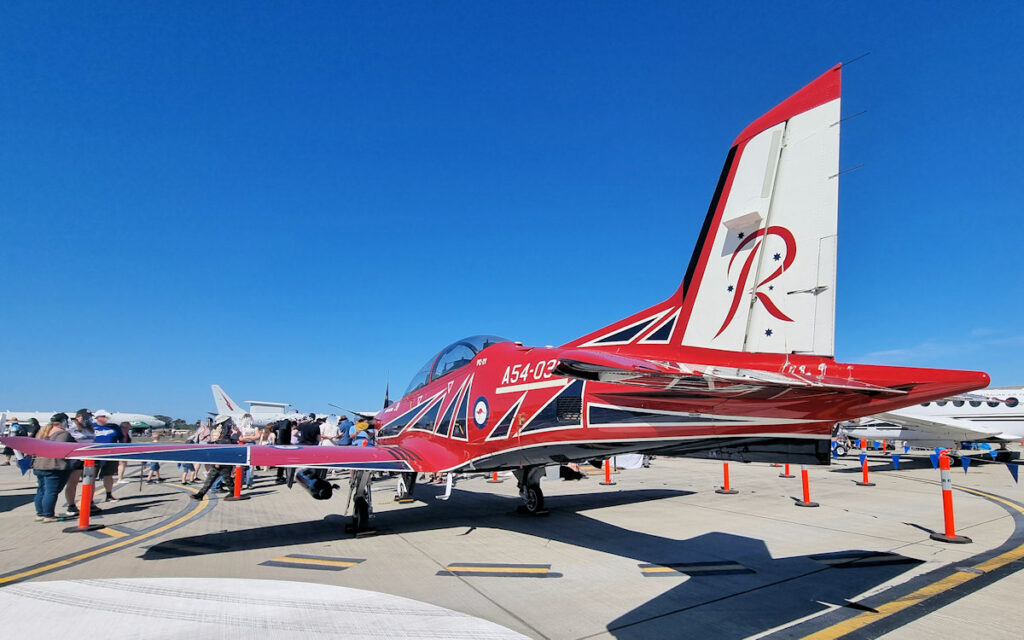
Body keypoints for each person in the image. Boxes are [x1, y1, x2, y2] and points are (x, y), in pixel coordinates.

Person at [33, 415, 76, 522]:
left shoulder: (43, 432)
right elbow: (61, 448)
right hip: (53, 466)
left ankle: (40, 514)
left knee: (41, 490)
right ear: (63, 422)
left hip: (39, 465)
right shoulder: (62, 434)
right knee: (51, 491)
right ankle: (48, 515)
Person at [63, 409, 99, 517]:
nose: (89, 419)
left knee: (90, 482)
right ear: (79, 417)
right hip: (76, 458)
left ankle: (89, 502)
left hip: (89, 458)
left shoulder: (90, 429)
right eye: (86, 417)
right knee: (73, 482)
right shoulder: (71, 426)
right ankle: (71, 505)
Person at [190, 417, 236, 500]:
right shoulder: (221, 438)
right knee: (209, 480)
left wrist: (217, 462)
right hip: (218, 463)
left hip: (223, 464)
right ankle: (200, 494)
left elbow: (220, 452)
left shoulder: (224, 440)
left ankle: (234, 493)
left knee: (227, 480)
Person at [91, 410, 123, 501]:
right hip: (94, 455)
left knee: (108, 475)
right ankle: (90, 499)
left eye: (107, 417)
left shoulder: (114, 427)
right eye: (104, 416)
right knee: (92, 477)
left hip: (110, 455)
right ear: (98, 417)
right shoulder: (92, 427)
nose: (106, 418)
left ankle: (109, 495)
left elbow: (122, 439)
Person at [238, 414, 259, 488]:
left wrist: (246, 437)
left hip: (251, 445)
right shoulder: (241, 427)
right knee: (242, 466)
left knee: (251, 465)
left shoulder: (254, 427)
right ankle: (240, 483)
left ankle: (249, 482)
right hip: (244, 445)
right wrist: (251, 438)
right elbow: (240, 438)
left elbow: (258, 436)